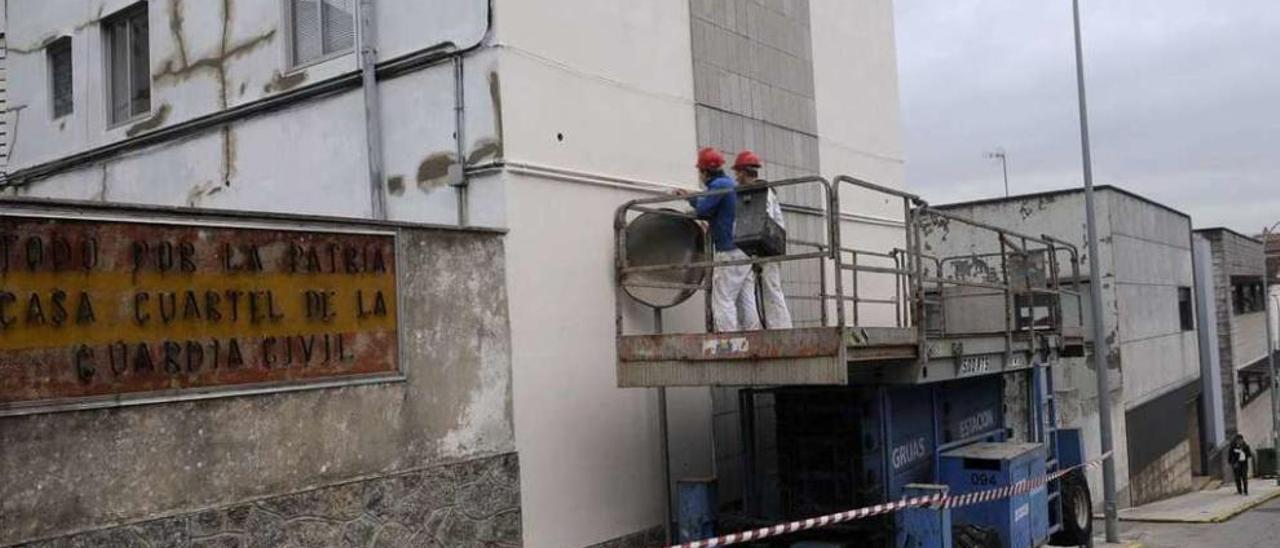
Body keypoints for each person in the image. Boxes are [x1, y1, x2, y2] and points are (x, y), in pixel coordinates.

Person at [676, 148, 761, 332]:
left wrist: (691, 209)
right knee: (746, 297)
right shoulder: (729, 184)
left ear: (705, 172)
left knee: (723, 298)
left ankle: (728, 340)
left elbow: (704, 210)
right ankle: (754, 334)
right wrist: (691, 198)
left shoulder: (719, 185)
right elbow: (708, 203)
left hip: (728, 250)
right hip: (744, 249)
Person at [732, 150, 792, 329]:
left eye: (737, 172)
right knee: (766, 288)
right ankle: (774, 327)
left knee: (771, 288)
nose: (736, 177)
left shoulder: (762, 192)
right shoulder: (757, 191)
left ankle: (781, 329)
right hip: (766, 246)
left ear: (743, 172)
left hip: (770, 247)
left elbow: (761, 219)